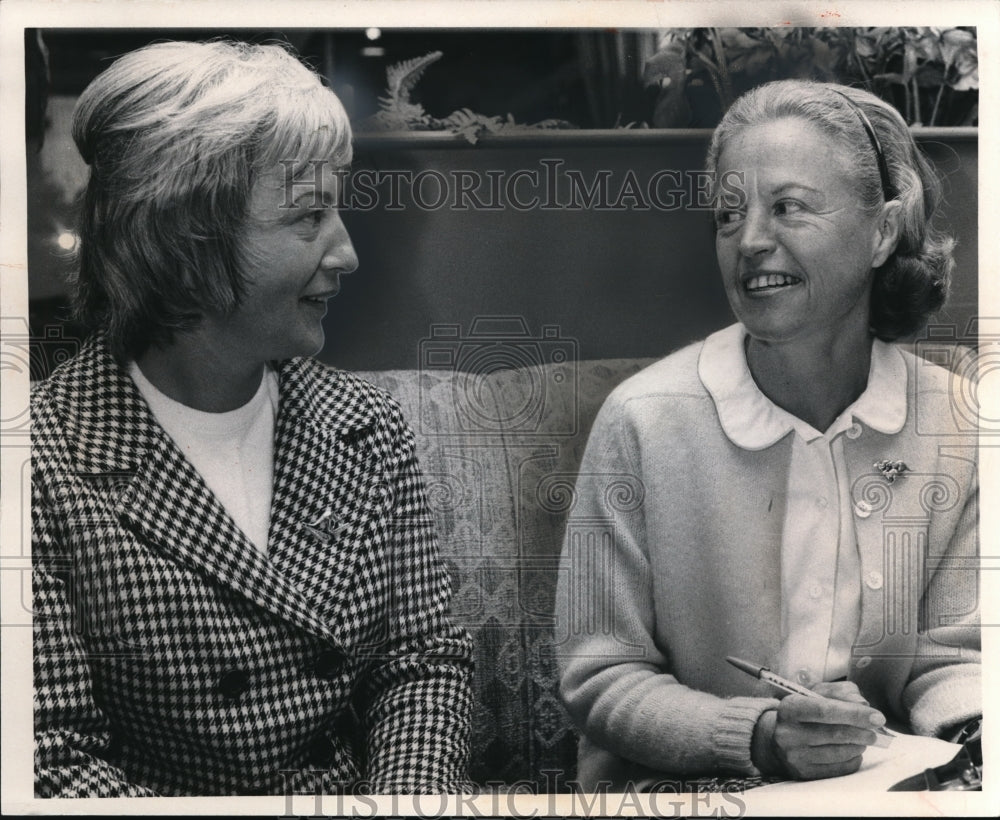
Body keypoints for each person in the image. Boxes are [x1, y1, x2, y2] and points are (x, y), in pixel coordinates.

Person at [31, 40, 473, 797]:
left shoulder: (367, 426)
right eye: (309, 216)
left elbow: (423, 664)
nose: (347, 253)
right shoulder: (38, 464)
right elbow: (54, 759)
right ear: (181, 243)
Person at [556, 79, 981, 787]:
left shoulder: (958, 423)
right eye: (728, 216)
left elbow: (956, 658)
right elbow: (600, 676)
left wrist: (976, 735)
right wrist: (759, 738)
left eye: (787, 207)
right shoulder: (642, 419)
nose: (750, 241)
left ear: (881, 232)